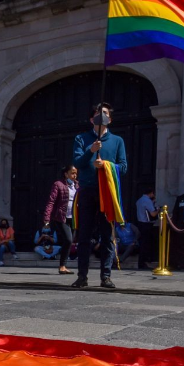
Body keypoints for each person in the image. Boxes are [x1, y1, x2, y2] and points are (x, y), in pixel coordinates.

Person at [71, 102, 127, 289]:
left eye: (104, 113)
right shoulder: (81, 138)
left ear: (109, 119)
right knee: (84, 235)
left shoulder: (117, 140)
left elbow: (123, 166)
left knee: (107, 235)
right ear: (91, 118)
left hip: (107, 192)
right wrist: (91, 151)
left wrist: (107, 166)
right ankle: (82, 276)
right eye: (97, 113)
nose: (100, 116)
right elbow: (77, 162)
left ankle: (106, 276)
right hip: (87, 190)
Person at [43, 165, 78, 275]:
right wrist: (47, 219)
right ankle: (62, 266)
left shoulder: (77, 186)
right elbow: (51, 201)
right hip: (61, 217)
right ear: (66, 174)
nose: (74, 175)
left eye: (76, 173)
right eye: (72, 173)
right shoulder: (58, 185)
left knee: (70, 241)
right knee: (68, 239)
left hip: (73, 218)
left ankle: (63, 265)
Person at [135, 187, 158, 269]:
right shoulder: (147, 201)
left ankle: (141, 262)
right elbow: (153, 214)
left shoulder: (139, 200)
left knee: (143, 243)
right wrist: (158, 210)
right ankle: (144, 262)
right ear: (151, 193)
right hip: (146, 224)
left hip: (140, 223)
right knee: (146, 244)